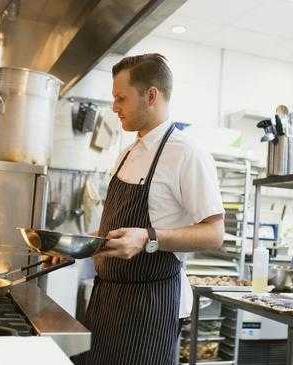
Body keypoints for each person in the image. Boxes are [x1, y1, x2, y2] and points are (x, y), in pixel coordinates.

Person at [76, 53, 225, 365]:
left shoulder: (186, 153)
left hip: (150, 308)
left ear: (151, 96)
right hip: (106, 302)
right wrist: (81, 245)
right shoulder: (128, 152)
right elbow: (117, 229)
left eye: (121, 98)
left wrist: (147, 237)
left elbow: (214, 234)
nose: (115, 107)